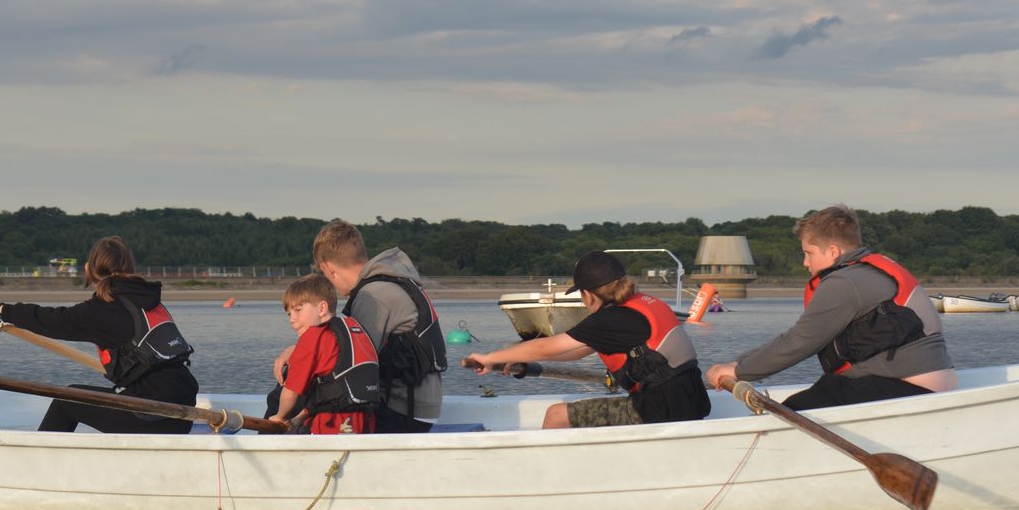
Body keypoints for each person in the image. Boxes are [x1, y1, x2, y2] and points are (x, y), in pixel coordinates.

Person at [705, 205, 956, 409]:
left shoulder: (844, 282)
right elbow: (796, 338)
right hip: (924, 384)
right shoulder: (865, 272)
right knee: (827, 388)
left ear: (833, 251)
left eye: (809, 253)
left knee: (795, 409)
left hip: (910, 388)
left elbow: (799, 342)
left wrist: (740, 371)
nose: (805, 262)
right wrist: (738, 364)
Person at [0, 236, 197, 434]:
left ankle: (34, 463)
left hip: (152, 416)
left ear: (90, 268)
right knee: (87, 396)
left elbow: (51, 320)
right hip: (182, 410)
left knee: (67, 400)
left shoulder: (103, 309)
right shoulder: (147, 300)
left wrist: (1, 311)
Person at [465, 250, 710, 429]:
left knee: (556, 415)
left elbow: (547, 347)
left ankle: (547, 479)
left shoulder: (610, 318)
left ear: (588, 294)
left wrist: (489, 358)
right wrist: (516, 358)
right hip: (691, 400)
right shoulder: (643, 304)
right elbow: (579, 350)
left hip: (659, 410)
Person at [311, 219, 446, 433]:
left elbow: (350, 362)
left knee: (317, 403)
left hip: (403, 411)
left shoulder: (372, 295)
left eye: (325, 274)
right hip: (421, 406)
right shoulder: (392, 281)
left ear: (329, 268)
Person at [268, 274, 380, 435]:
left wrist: (279, 416)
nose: (292, 319)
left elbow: (291, 392)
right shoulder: (352, 329)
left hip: (332, 425)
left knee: (275, 400)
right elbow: (328, 391)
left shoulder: (311, 338)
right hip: (365, 421)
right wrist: (300, 417)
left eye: (298, 310)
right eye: (289, 314)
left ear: (321, 308)